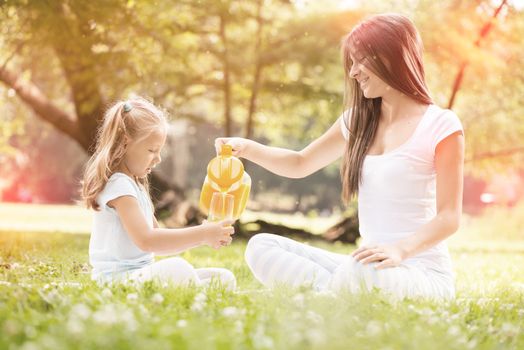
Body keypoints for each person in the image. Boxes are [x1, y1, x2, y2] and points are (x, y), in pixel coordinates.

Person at [215, 13, 464, 299]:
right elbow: (300, 163)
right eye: (352, 63)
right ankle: (332, 296)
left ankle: (320, 297)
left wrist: (399, 250)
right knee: (261, 246)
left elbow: (449, 217)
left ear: (394, 55)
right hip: (363, 267)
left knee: (360, 273)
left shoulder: (441, 125)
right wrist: (246, 148)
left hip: (418, 271)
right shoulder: (356, 121)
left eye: (361, 60)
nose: (354, 72)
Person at [82, 97, 236, 289]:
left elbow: (157, 237)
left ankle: (195, 290)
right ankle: (195, 291)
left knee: (223, 277)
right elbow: (147, 241)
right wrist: (202, 234)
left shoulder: (135, 185)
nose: (158, 158)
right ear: (124, 143)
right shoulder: (118, 186)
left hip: (141, 275)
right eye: (152, 150)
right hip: (116, 281)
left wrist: (203, 236)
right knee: (179, 269)